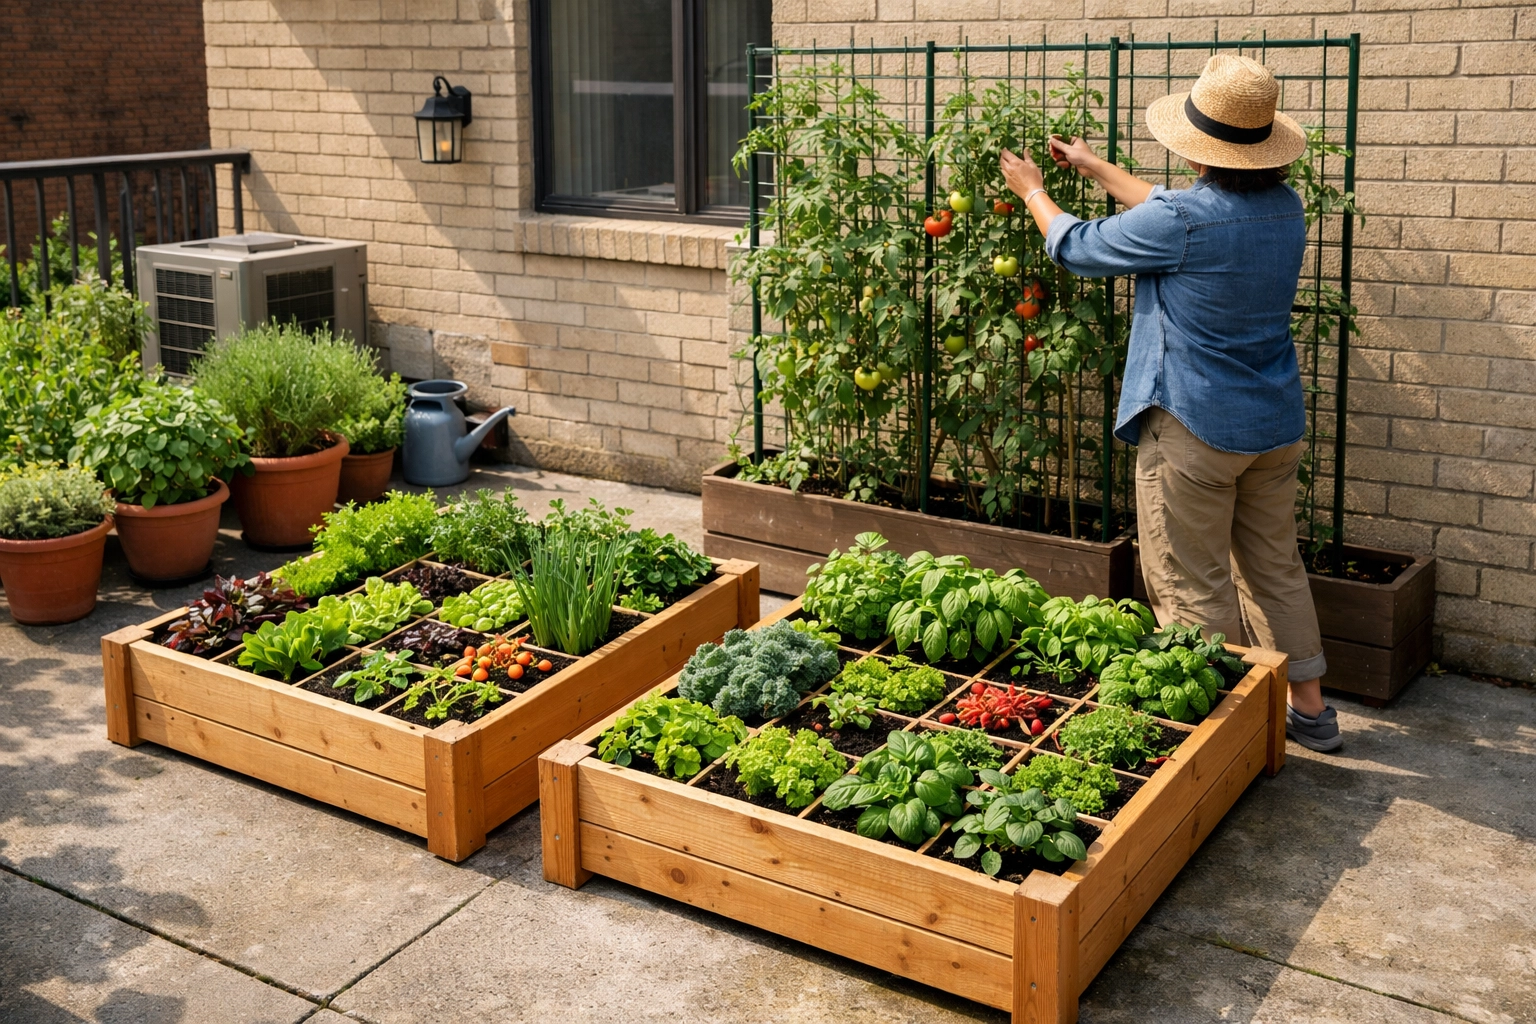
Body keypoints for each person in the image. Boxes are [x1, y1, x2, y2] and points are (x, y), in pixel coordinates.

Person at [999, 54, 1341, 752]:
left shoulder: (1185, 221)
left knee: (1191, 583)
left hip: (1194, 429)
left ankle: (1215, 737)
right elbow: (1174, 213)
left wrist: (1035, 190)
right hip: (1273, 425)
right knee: (1274, 565)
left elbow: (1076, 245)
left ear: (1199, 146)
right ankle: (1311, 709)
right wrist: (1095, 169)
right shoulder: (1283, 208)